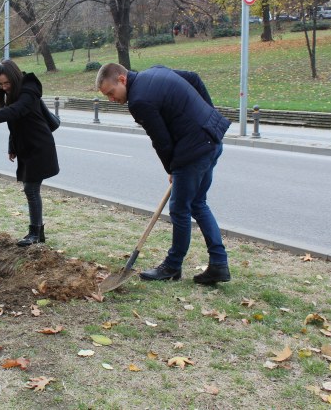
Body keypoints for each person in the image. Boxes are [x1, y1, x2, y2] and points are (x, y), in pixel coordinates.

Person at [96, 62, 232, 284]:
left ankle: (172, 266)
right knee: (198, 203)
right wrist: (209, 114)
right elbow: (194, 76)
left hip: (194, 149)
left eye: (111, 93)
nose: (112, 99)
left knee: (179, 209)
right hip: (211, 138)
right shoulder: (156, 71)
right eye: (107, 96)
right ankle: (219, 264)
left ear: (122, 79)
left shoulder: (138, 101)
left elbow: (161, 141)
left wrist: (172, 167)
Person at [0, 59, 59, 246]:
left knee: (31, 189)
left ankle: (35, 234)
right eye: (0, 84)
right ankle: (38, 233)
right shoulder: (13, 93)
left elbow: (15, 111)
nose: (3, 87)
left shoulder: (29, 91)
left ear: (14, 77)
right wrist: (12, 147)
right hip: (27, 147)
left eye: (6, 83)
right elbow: (16, 123)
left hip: (39, 146)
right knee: (31, 189)